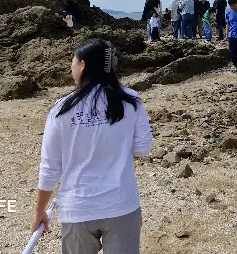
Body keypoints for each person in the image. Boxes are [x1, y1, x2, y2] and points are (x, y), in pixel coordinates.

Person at [33, 38, 154, 254]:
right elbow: (143, 147)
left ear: (83, 65)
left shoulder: (61, 109)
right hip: (121, 203)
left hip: (77, 207)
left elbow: (50, 167)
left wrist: (39, 211)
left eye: (73, 62)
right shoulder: (130, 100)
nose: (71, 67)